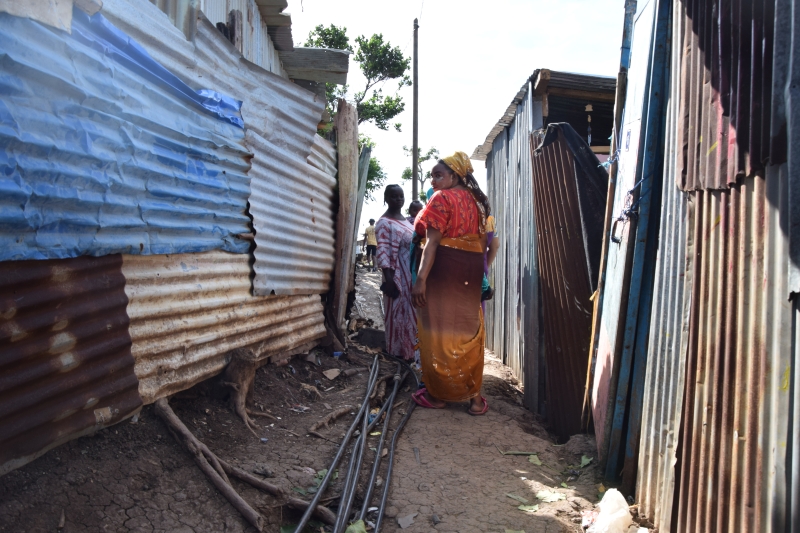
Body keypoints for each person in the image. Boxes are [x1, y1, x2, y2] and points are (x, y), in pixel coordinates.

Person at [411, 151, 491, 415]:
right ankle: (475, 400)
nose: (434, 181)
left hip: (444, 267)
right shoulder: (478, 202)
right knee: (468, 331)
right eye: (432, 176)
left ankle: (438, 396)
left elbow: (432, 243)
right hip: (470, 269)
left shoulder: (441, 198)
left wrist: (421, 279)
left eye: (439, 175)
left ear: (455, 175)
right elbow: (482, 243)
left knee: (438, 332)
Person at [376, 185, 418, 362]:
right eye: (394, 196)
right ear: (386, 198)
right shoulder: (384, 223)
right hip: (397, 277)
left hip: (410, 275)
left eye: (401, 196)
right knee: (397, 315)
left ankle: (410, 352)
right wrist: (389, 279)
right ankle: (398, 354)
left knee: (411, 314)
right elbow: (383, 251)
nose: (398, 200)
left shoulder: (406, 221)